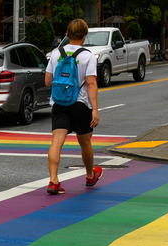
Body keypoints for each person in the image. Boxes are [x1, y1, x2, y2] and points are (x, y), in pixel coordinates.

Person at [45, 18, 102, 195]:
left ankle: (54, 181)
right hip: (80, 104)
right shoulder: (87, 56)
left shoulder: (56, 53)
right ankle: (90, 175)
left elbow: (48, 81)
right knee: (85, 142)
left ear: (67, 34)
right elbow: (91, 84)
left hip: (59, 103)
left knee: (57, 142)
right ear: (84, 35)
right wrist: (95, 109)